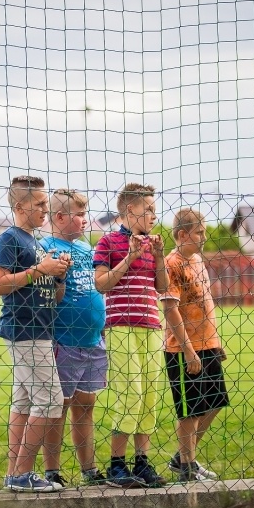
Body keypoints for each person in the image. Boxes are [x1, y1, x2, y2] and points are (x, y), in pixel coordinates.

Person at [0, 175, 71, 493]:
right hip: (24, 330)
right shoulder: (10, 239)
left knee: (24, 401)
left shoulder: (34, 242)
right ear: (20, 205)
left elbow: (55, 296)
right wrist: (41, 270)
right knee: (50, 400)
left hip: (40, 330)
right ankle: (22, 475)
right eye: (39, 204)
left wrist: (59, 276)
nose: (45, 209)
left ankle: (14, 472)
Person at [93, 182, 168, 488]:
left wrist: (160, 256)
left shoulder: (154, 244)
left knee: (150, 395)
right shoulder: (108, 242)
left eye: (154, 209)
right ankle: (116, 466)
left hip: (151, 326)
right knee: (130, 393)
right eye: (148, 209)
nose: (154, 215)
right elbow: (101, 285)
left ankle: (142, 463)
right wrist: (129, 258)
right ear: (128, 210)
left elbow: (162, 287)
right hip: (120, 326)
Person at [40, 189, 108, 487]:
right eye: (79, 215)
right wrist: (59, 278)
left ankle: (88, 469)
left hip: (93, 339)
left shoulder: (85, 248)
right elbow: (48, 298)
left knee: (86, 404)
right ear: (59, 217)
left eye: (85, 213)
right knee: (58, 406)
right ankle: (52, 470)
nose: (84, 220)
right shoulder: (45, 248)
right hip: (64, 340)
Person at [159, 208, 229, 482]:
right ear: (181, 234)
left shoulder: (198, 260)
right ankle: (187, 468)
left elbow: (205, 303)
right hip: (182, 348)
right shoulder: (170, 264)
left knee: (215, 402)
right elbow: (170, 309)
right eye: (199, 232)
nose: (204, 237)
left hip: (207, 343)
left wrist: (215, 341)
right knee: (190, 409)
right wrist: (188, 350)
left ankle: (181, 457)